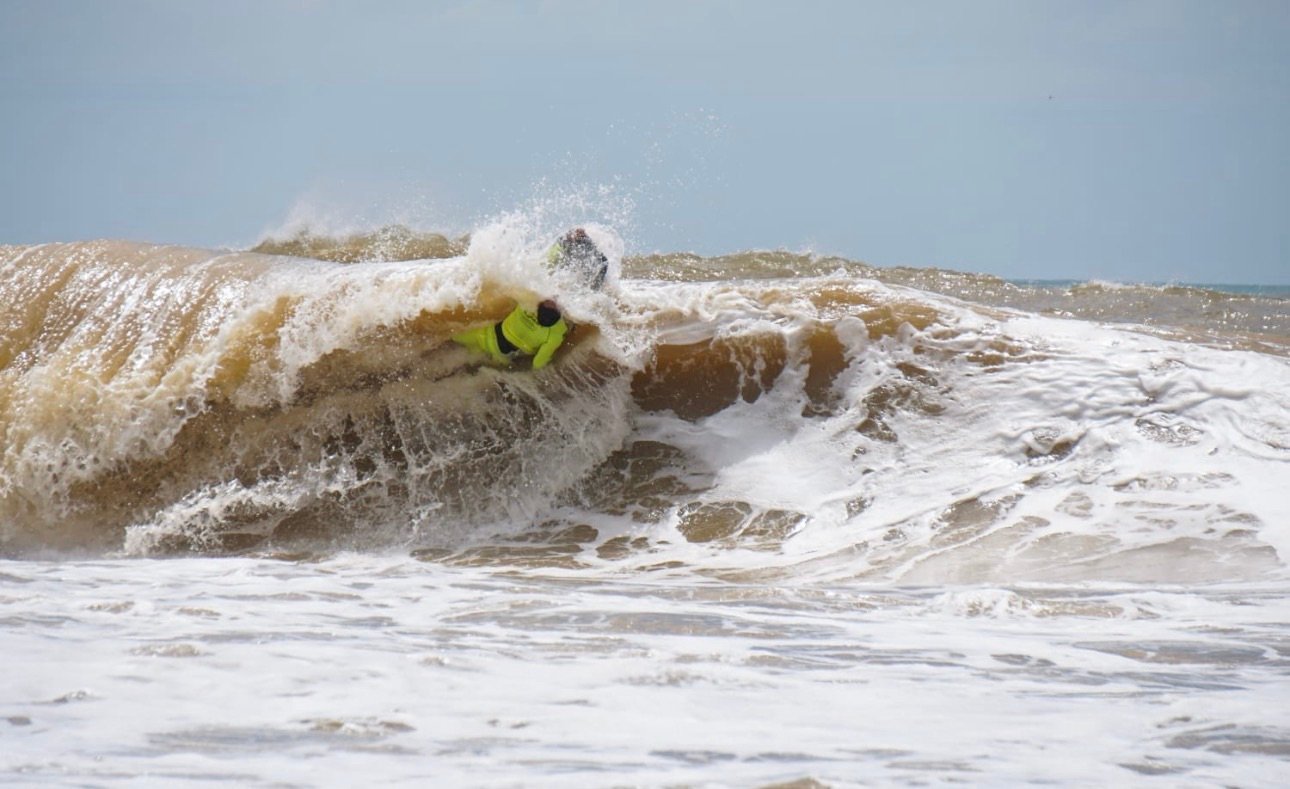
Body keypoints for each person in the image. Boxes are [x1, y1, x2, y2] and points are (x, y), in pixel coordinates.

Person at [452, 229, 607, 370]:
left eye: (548, 302)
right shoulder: (555, 332)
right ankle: (571, 246)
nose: (552, 298)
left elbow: (525, 279)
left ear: (540, 307)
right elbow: (538, 363)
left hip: (484, 337)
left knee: (452, 346)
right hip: (498, 353)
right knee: (476, 369)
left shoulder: (529, 305)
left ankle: (567, 243)